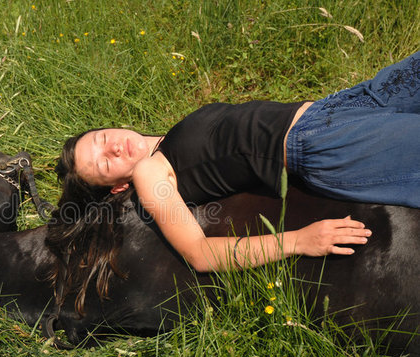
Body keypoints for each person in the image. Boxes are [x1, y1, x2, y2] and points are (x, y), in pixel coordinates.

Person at [47, 51, 419, 312]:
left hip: (341, 107)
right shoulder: (150, 173)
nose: (110, 148)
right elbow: (200, 254)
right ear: (116, 188)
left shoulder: (168, 139)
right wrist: (299, 241)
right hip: (325, 143)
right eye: (102, 163)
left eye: (99, 139)